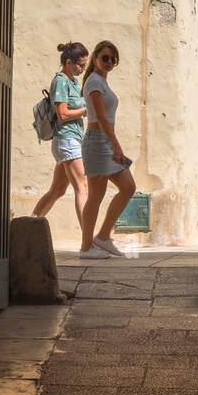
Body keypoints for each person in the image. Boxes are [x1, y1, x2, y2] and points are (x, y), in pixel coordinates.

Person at [79, 40, 136, 260]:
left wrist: (112, 142)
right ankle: (86, 247)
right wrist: (116, 145)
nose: (109, 62)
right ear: (95, 59)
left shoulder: (101, 81)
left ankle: (102, 236)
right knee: (96, 196)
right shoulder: (94, 81)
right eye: (105, 58)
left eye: (113, 59)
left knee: (128, 187)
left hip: (103, 140)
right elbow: (101, 117)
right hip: (98, 142)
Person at [32, 41, 90, 233]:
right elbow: (62, 114)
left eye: (85, 65)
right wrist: (84, 110)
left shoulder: (72, 82)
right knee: (83, 188)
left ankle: (28, 227)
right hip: (66, 139)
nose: (83, 69)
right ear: (68, 62)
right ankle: (89, 241)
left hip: (71, 140)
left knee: (57, 191)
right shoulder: (61, 81)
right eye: (80, 64)